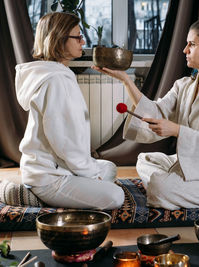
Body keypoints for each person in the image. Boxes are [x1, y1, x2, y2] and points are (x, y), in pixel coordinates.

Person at [93, 8, 199, 210]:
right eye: (186, 44)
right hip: (192, 164)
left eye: (192, 44)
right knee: (145, 160)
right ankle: (177, 188)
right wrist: (125, 80)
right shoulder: (184, 85)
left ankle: (173, 189)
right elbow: (156, 112)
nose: (185, 50)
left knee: (159, 186)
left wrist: (176, 130)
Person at [13, 12, 124, 209]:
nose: (83, 42)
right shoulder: (56, 80)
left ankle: (78, 182)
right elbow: (63, 141)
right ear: (58, 40)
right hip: (48, 177)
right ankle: (31, 195)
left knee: (109, 168)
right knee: (116, 196)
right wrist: (91, 174)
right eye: (78, 37)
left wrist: (91, 171)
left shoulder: (56, 73)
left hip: (58, 167)